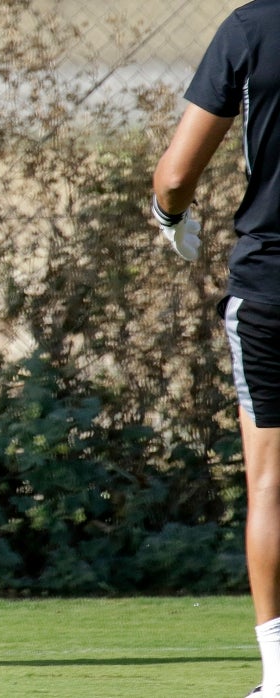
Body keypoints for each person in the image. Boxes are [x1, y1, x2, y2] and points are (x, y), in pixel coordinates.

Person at [151, 2, 280, 696]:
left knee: (271, 487)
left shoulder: (252, 28)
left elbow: (175, 177)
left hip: (270, 287)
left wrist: (168, 217)